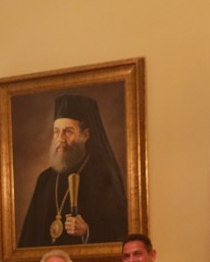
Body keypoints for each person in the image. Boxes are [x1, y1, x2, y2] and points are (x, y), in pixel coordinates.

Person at [18, 94, 128, 248]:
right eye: (56, 131)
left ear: (85, 135)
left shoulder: (104, 176)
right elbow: (29, 237)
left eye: (68, 132)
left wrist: (87, 230)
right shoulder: (45, 179)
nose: (60, 139)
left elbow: (120, 230)